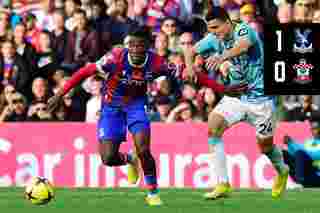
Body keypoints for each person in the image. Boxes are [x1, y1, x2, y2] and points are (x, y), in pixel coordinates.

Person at [48, 26, 179, 206]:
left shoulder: (157, 62)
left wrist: (214, 82)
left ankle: (153, 192)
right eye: (131, 45)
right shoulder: (115, 57)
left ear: (148, 46)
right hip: (111, 108)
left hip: (136, 107)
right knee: (108, 158)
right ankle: (130, 159)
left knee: (144, 150)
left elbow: (185, 73)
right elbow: (84, 72)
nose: (133, 49)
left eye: (138, 45)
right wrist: (59, 94)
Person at [184, 6, 289, 200]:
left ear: (227, 22)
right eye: (210, 29)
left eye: (216, 27)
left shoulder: (243, 29)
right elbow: (190, 51)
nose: (213, 33)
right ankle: (223, 183)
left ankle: (282, 171)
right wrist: (190, 67)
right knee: (213, 126)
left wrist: (222, 57)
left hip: (262, 99)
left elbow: (244, 45)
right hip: (237, 96)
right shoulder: (214, 38)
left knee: (265, 147)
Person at [282, 121, 320, 187]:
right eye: (312, 129)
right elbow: (295, 154)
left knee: (300, 153)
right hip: (307, 173)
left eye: (316, 128)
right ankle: (284, 181)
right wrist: (289, 144)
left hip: (317, 174)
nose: (313, 131)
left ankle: (299, 182)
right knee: (284, 153)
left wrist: (292, 143)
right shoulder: (308, 142)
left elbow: (314, 155)